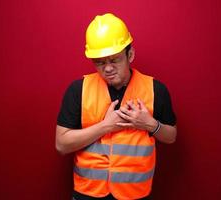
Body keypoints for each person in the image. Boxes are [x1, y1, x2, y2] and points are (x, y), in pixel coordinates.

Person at [56, 13, 177, 200]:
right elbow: (61, 145)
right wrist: (106, 126)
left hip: (136, 195)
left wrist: (150, 125)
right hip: (87, 194)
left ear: (130, 54)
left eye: (114, 60)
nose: (108, 68)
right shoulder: (77, 90)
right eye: (100, 62)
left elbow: (171, 136)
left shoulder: (156, 89)